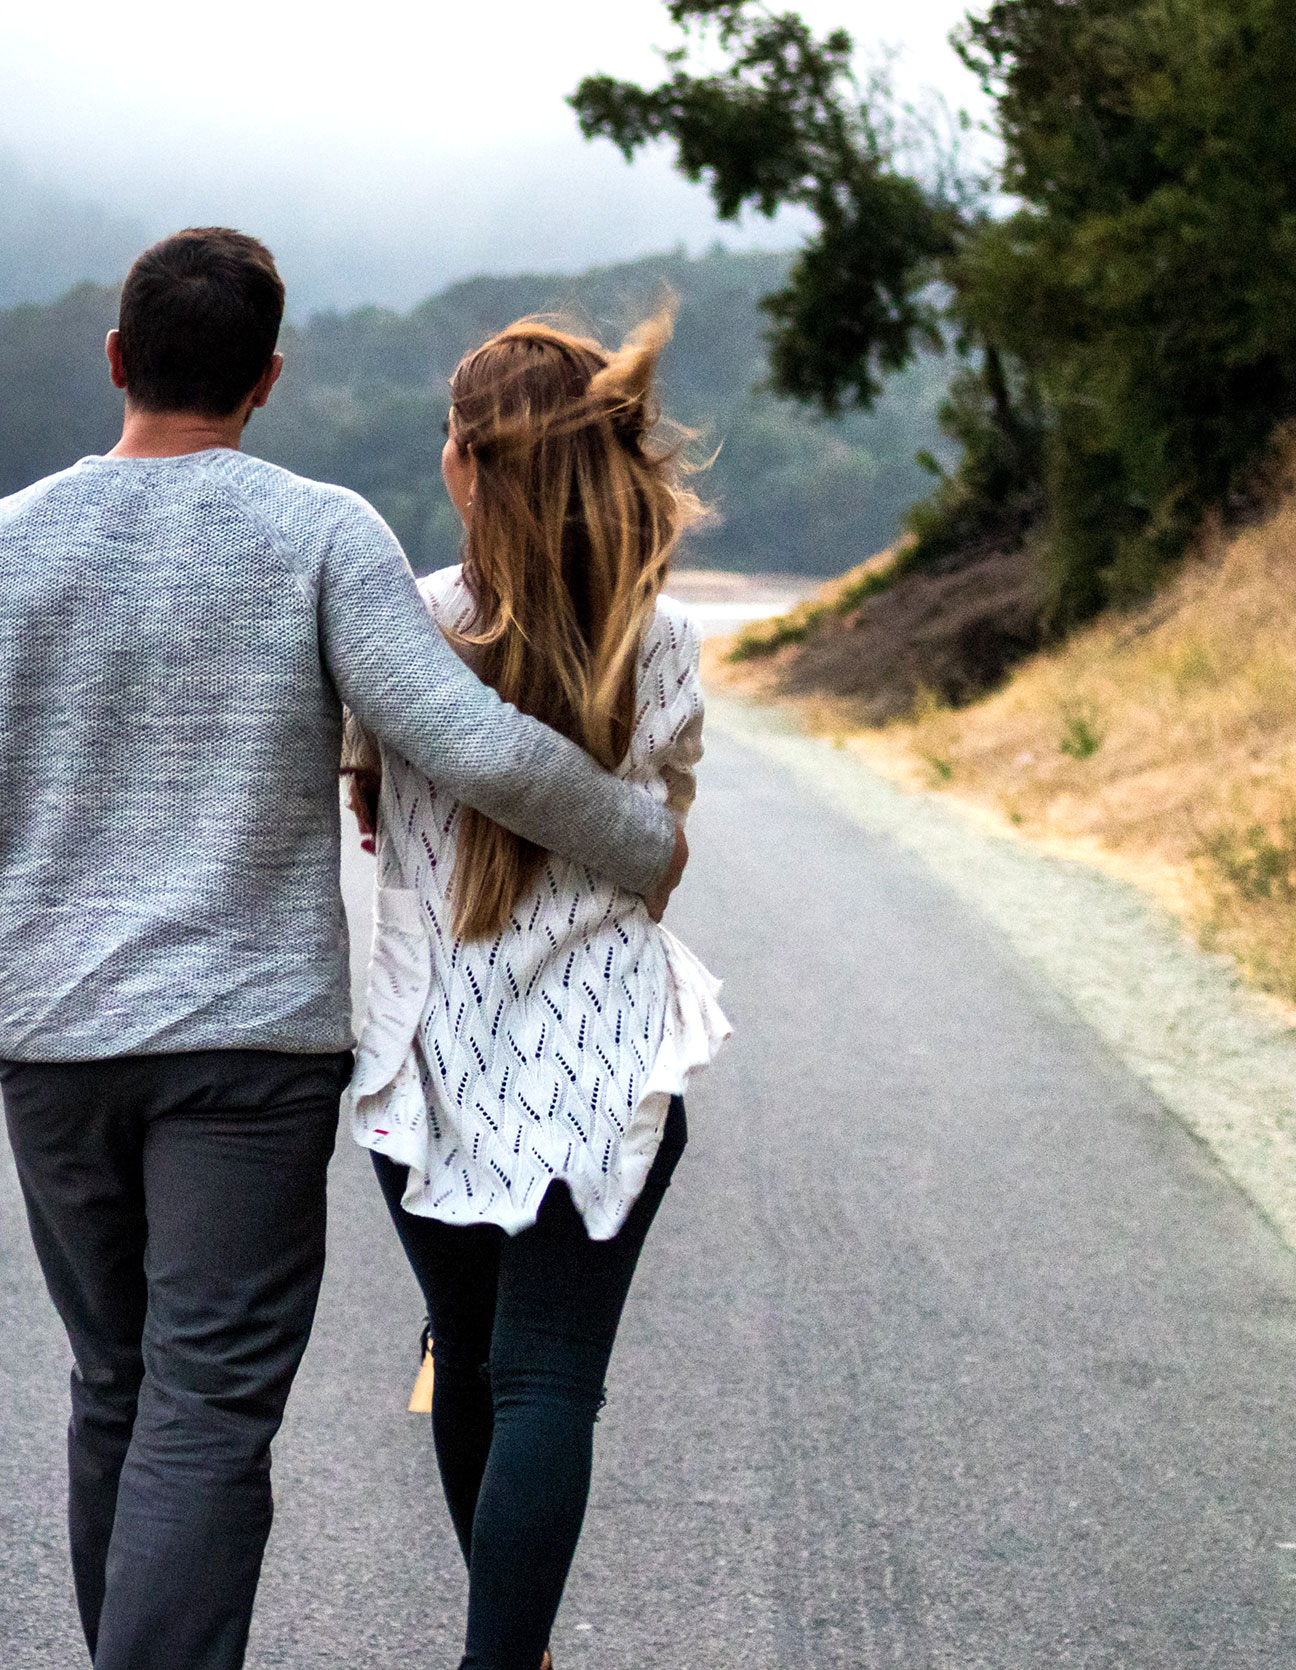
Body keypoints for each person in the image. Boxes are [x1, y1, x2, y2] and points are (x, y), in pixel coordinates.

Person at [0, 228, 687, 1670]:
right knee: (205, 1401)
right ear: (268, 380)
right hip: (246, 1057)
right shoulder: (318, 532)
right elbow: (465, 742)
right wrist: (642, 843)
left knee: (114, 1384)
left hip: (54, 1049)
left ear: (118, 360)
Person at [344, 308, 732, 1670]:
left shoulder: (401, 634)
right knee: (552, 1377)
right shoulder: (660, 634)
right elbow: (663, 849)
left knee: (468, 1351)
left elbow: (371, 814)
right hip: (606, 1055)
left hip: (430, 1065)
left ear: (463, 465)